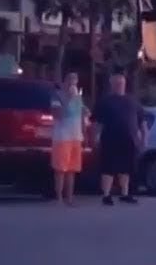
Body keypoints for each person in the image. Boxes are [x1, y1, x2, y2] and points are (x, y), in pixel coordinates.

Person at [90, 72, 147, 205]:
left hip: (129, 140)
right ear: (112, 85)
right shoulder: (105, 101)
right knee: (108, 168)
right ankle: (106, 195)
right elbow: (96, 123)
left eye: (121, 83)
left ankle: (125, 194)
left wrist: (144, 139)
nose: (119, 85)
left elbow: (142, 122)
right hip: (110, 139)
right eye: (116, 83)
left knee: (126, 168)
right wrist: (95, 137)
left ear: (125, 84)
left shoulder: (133, 101)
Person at [50, 71, 88, 205]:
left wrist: (84, 131)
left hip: (75, 137)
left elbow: (82, 116)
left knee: (72, 169)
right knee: (60, 168)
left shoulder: (78, 97)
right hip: (62, 137)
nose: (73, 83)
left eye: (75, 81)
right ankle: (59, 197)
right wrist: (70, 99)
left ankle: (70, 197)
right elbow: (58, 115)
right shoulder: (57, 96)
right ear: (64, 82)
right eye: (70, 80)